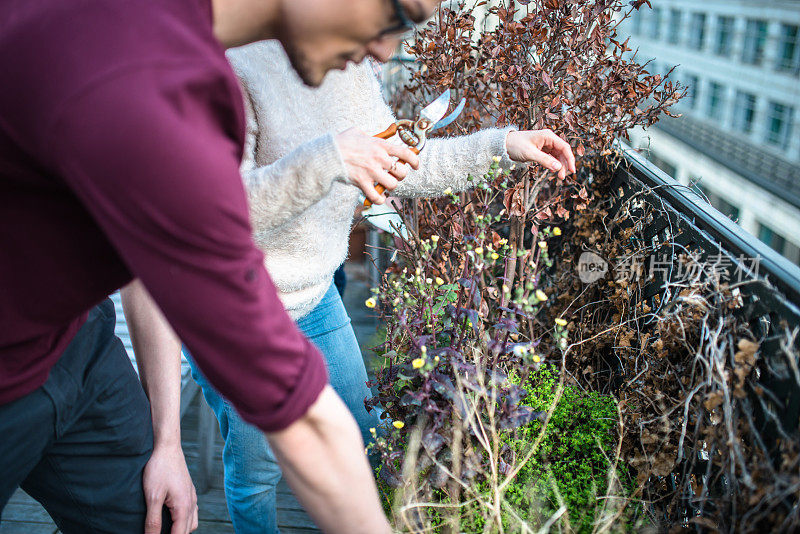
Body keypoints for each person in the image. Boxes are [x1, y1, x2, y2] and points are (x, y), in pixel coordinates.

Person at [0, 0, 443, 533]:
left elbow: (150, 257)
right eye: (398, 13)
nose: (386, 49)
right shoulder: (132, 81)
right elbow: (301, 419)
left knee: (152, 518)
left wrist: (167, 442)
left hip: (74, 342)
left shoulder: (202, 79)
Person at [122, 39, 577, 533]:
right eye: (383, 25)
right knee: (258, 472)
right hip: (234, 316)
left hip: (316, 299)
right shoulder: (235, 67)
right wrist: (327, 161)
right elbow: (211, 215)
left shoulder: (354, 68)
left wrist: (502, 145)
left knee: (369, 440)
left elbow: (403, 166)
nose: (384, 55)